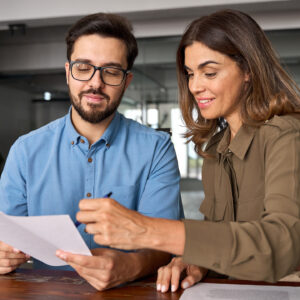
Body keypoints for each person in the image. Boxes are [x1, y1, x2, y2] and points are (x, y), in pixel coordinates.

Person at [74, 9, 300, 293]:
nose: (194, 86)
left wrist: (146, 230)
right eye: (190, 73)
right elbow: (224, 238)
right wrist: (197, 261)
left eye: (210, 72)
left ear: (248, 70)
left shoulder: (288, 136)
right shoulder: (216, 150)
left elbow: (281, 246)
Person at [0, 13, 183, 291]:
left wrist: (130, 266)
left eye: (110, 71)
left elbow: (165, 244)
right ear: (67, 71)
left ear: (127, 80)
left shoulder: (156, 149)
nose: (95, 83)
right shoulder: (25, 152)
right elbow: (6, 235)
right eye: (84, 67)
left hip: (131, 294)